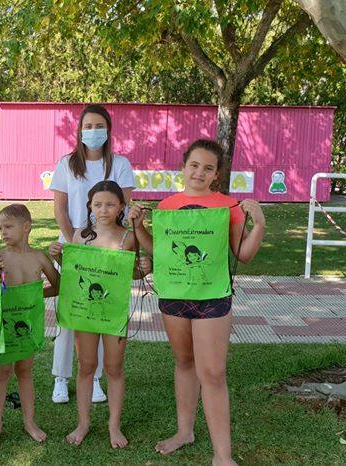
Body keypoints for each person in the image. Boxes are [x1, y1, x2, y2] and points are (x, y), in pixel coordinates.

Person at [130, 139, 266, 466]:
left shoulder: (228, 208)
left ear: (216, 174)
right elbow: (158, 251)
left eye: (207, 168)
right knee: (184, 363)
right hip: (174, 297)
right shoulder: (167, 206)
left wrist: (258, 224)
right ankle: (184, 431)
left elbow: (243, 255)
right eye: (194, 165)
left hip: (212, 298)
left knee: (214, 373)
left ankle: (223, 455)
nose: (199, 173)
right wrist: (138, 227)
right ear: (183, 166)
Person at [48, 181, 150, 448]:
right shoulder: (79, 236)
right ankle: (83, 423)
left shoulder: (128, 237)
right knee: (86, 365)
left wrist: (144, 269)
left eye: (110, 204)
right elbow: (73, 272)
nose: (103, 210)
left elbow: (135, 273)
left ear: (120, 207)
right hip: (85, 313)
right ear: (89, 206)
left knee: (114, 367)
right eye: (98, 204)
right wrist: (58, 257)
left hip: (114, 312)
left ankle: (113, 425)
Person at [48, 104, 135, 404]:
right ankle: (61, 377)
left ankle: (95, 378)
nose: (94, 131)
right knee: (70, 315)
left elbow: (122, 206)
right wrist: (75, 242)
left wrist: (108, 241)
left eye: (100, 126)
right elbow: (60, 207)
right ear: (80, 130)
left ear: (108, 130)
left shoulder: (120, 164)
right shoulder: (68, 164)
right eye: (89, 126)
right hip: (75, 247)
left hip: (108, 250)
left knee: (99, 312)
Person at [0, 204, 60, 446]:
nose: (2, 232)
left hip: (28, 324)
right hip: (5, 325)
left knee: (25, 371)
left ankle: (30, 422)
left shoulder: (39, 257)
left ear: (26, 227)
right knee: (2, 372)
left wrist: (35, 297)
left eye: (8, 226)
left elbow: (58, 286)